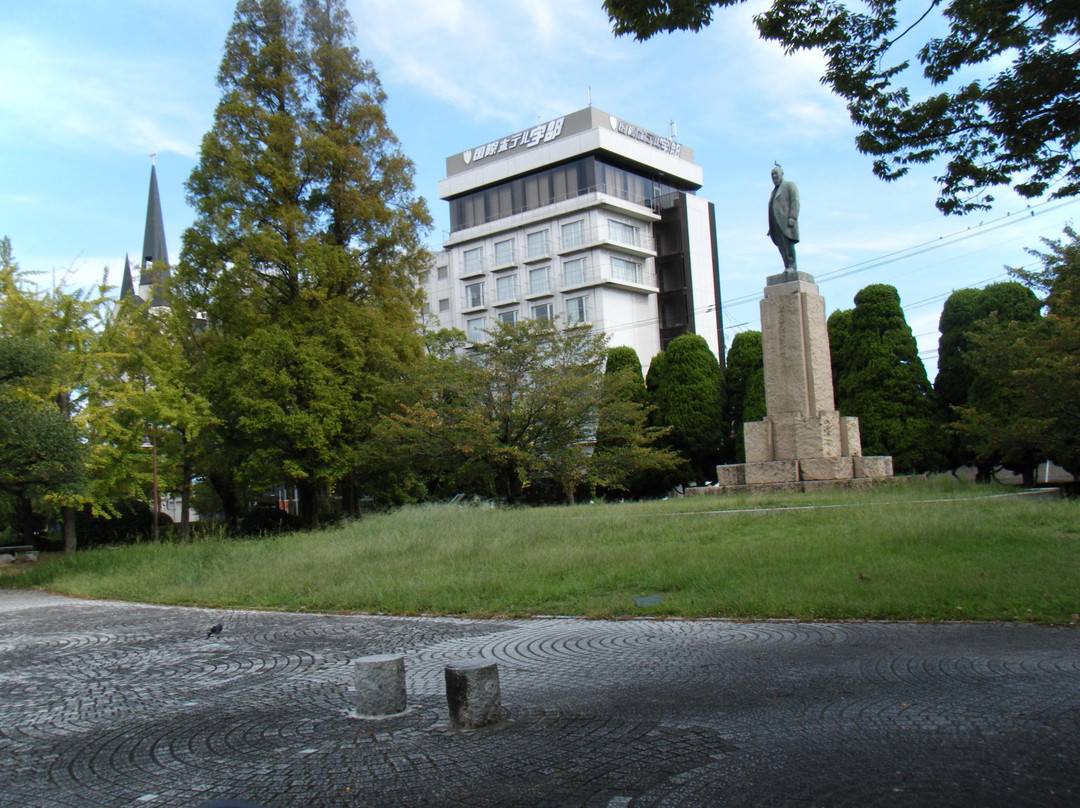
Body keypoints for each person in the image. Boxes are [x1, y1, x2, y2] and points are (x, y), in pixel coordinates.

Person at [767, 165, 800, 271]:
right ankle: (787, 266)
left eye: (776, 173)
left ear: (782, 174)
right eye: (772, 175)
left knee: (788, 245)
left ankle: (792, 266)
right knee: (781, 247)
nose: (774, 176)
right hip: (776, 225)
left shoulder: (789, 185)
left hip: (786, 222)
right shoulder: (773, 192)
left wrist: (792, 217)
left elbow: (795, 201)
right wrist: (771, 226)